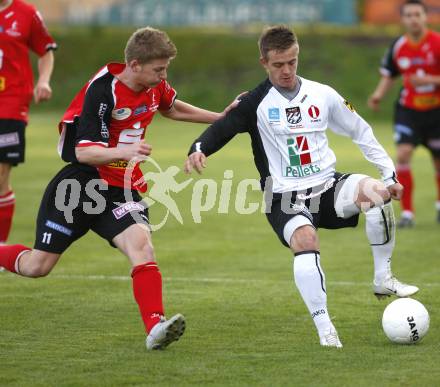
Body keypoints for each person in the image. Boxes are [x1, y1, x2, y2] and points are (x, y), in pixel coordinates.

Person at [0, 27, 239, 350]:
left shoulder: (153, 86)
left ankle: (155, 327)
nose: (163, 75)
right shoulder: (103, 91)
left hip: (121, 189)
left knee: (142, 245)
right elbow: (84, 151)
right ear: (136, 64)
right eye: (159, 69)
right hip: (80, 185)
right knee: (36, 266)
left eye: (165, 69)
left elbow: (172, 107)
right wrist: (121, 152)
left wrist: (221, 117)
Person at [185, 25, 419, 348]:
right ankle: (326, 329)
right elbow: (221, 129)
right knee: (306, 239)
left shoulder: (322, 94)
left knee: (377, 193)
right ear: (263, 63)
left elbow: (361, 130)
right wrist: (198, 149)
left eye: (292, 62)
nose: (286, 70)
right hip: (283, 198)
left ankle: (383, 278)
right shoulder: (254, 103)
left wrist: (388, 174)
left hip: (327, 188)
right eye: (278, 64)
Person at [368, 0, 440, 228]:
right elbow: (390, 74)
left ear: (425, 16)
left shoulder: (437, 43)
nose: (413, 19)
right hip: (408, 110)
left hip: (436, 112)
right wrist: (378, 95)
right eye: (408, 15)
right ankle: (407, 213)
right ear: (403, 19)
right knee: (403, 153)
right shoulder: (399, 46)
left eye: (417, 14)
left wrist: (429, 80)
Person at [0, 0, 56, 242]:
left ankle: (0, 246)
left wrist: (43, 81)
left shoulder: (26, 13)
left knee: (0, 173)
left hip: (10, 102)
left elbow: (46, 50)